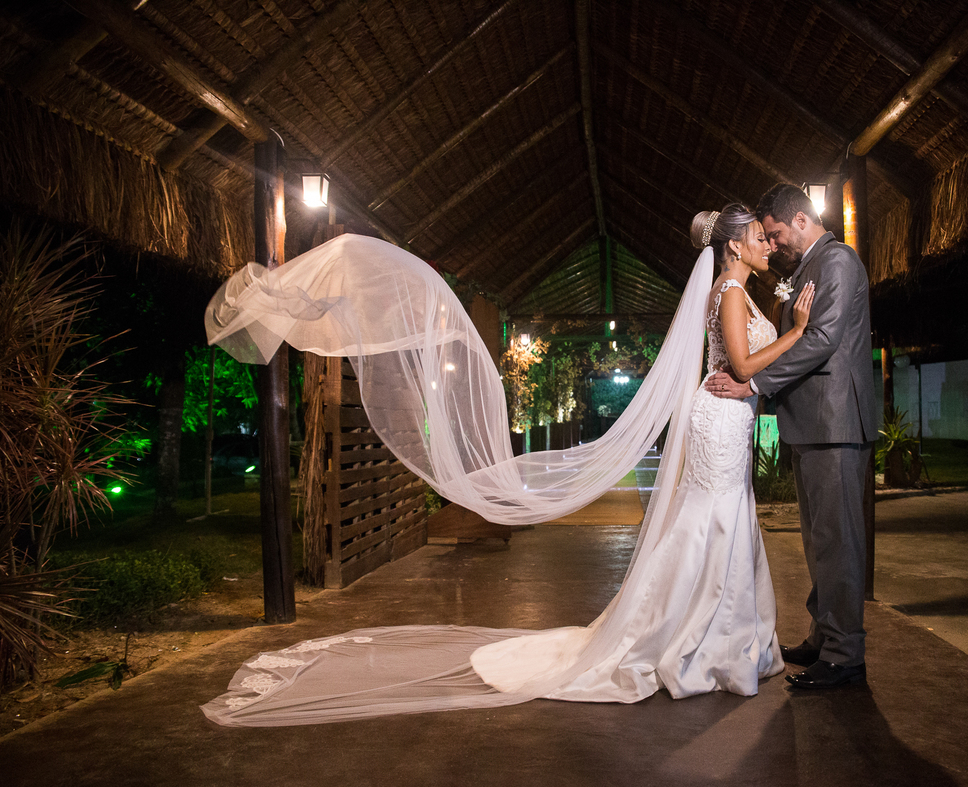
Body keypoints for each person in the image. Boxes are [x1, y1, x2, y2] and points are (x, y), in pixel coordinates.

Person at [199, 205, 812, 726]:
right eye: (759, 237)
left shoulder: (731, 290)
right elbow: (742, 365)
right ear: (734, 245)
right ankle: (699, 643)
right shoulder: (731, 292)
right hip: (721, 422)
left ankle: (714, 637)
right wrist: (799, 332)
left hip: (725, 420)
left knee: (717, 522)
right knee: (711, 522)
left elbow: (738, 367)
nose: (768, 244)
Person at [705, 184, 876, 690]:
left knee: (838, 541)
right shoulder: (804, 269)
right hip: (812, 425)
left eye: (776, 233)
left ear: (801, 219)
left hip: (835, 424)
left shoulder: (837, 261)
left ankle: (845, 655)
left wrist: (755, 384)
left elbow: (821, 338)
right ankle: (824, 637)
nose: (774, 244)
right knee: (819, 540)